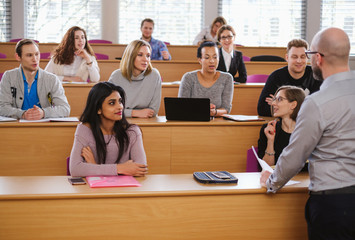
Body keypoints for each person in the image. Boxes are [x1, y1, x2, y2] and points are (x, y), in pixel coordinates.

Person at [260, 28, 355, 239]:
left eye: (309, 55)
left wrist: (271, 181)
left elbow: (295, 156)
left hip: (334, 205)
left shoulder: (316, 103)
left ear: (318, 58)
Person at [70, 82, 148, 177]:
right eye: (112, 103)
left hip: (126, 190)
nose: (120, 107)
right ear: (98, 109)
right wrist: (121, 168)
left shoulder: (132, 131)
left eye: (120, 101)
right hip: (94, 191)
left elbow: (140, 169)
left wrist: (94, 166)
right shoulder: (85, 130)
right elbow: (75, 169)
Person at [0, 39, 70, 120]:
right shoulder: (8, 76)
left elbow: (65, 109)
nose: (35, 59)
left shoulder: (52, 79)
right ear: (18, 57)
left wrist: (44, 113)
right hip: (17, 128)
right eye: (29, 55)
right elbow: (1, 107)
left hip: (44, 128)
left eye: (37, 54)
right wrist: (22, 114)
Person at [257, 39, 321, 117]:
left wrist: (282, 105)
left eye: (303, 56)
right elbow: (262, 109)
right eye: (294, 57)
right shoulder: (276, 76)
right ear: (287, 57)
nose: (299, 61)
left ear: (307, 57)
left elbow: (319, 107)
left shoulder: (316, 75)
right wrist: (304, 105)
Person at [178, 41, 234, 117]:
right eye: (207, 57)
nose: (212, 61)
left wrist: (214, 112)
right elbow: (181, 106)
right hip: (193, 121)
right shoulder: (188, 77)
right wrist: (202, 109)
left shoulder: (227, 78)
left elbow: (226, 109)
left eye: (215, 57)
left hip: (217, 123)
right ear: (200, 60)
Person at [108, 39, 161, 118]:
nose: (145, 59)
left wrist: (125, 111)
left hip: (147, 122)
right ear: (130, 56)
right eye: (140, 55)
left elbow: (153, 110)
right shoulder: (116, 76)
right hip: (119, 121)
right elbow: (109, 108)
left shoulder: (154, 75)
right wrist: (134, 113)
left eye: (148, 56)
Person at [257, 86, 305, 166]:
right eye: (274, 99)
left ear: (293, 105)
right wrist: (270, 141)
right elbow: (266, 168)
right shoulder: (268, 129)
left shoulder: (309, 131)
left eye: (279, 99)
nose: (273, 103)